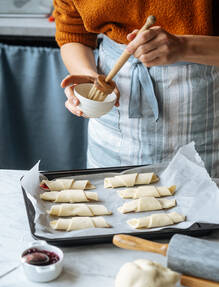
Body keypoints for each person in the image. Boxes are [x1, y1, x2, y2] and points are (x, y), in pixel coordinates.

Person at [53, 0, 219, 176]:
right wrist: (89, 77)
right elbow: (72, 31)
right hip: (113, 126)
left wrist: (186, 47)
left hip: (207, 121)